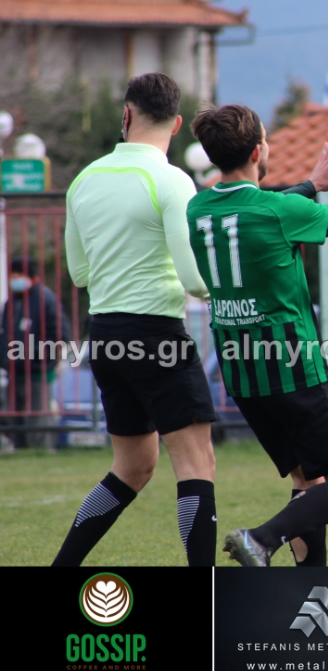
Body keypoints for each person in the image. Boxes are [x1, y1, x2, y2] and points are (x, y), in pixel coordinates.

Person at [187, 105, 328, 567]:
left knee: (307, 482)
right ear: (258, 151)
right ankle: (260, 538)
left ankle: (309, 591)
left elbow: (253, 215)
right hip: (293, 371)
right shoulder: (278, 211)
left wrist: (309, 185)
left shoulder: (198, 207)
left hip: (242, 375)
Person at [54, 73, 218, 566]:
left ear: (126, 115)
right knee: (197, 464)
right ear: (178, 125)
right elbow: (194, 281)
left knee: (133, 467)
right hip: (156, 334)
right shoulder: (172, 180)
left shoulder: (84, 179)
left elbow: (80, 274)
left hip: (104, 335)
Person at [1, 255, 72, 451]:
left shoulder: (46, 299)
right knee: (13, 416)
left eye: (18, 274)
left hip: (38, 372)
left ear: (31, 276)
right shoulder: (11, 303)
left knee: (37, 419)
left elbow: (61, 334)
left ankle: (41, 452)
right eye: (12, 275)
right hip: (14, 371)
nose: (14, 279)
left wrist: (38, 357)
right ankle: (20, 451)